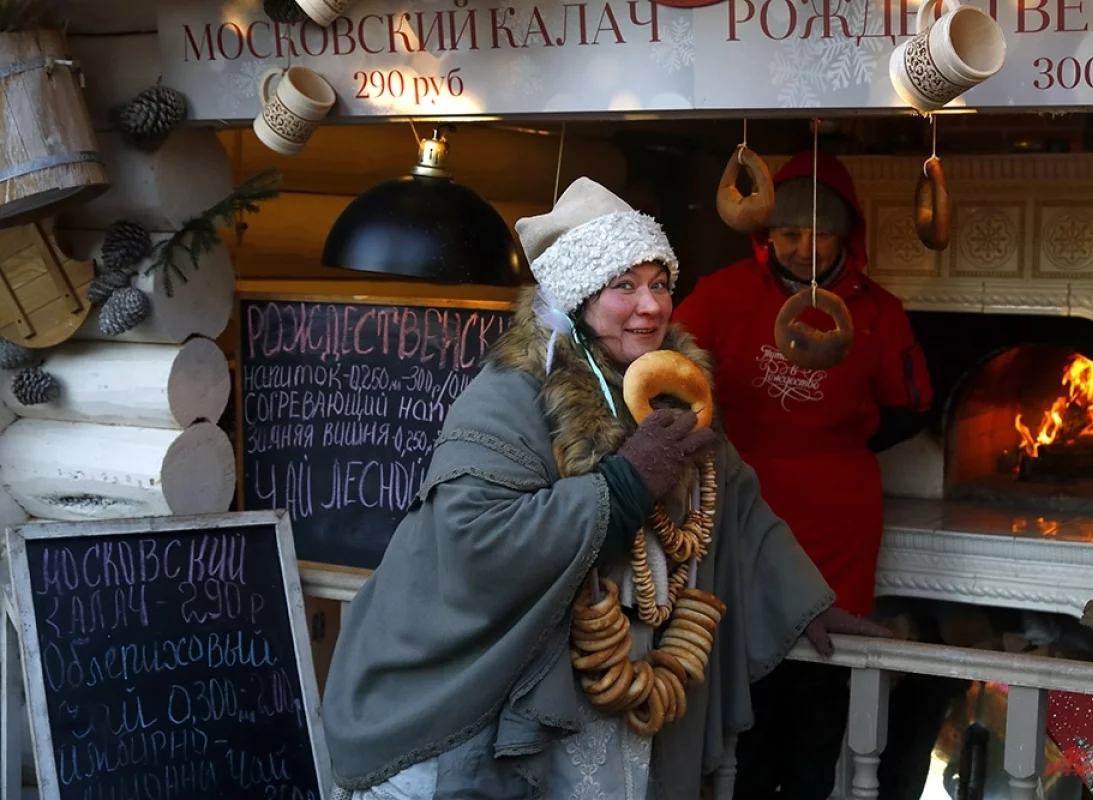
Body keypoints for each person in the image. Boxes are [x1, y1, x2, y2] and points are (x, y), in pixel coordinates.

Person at [320, 176, 889, 800]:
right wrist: (623, 483)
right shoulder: (512, 395)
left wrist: (806, 601)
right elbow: (471, 537)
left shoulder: (674, 389)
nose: (651, 306)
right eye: (624, 287)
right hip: (526, 697)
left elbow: (738, 507)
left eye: (660, 284)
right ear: (577, 295)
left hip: (626, 708)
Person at [673, 150, 935, 800]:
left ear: (847, 235)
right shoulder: (724, 295)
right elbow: (667, 377)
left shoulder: (876, 311)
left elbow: (911, 406)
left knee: (826, 680)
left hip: (838, 517)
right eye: (788, 233)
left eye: (820, 233)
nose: (803, 248)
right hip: (746, 504)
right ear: (766, 233)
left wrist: (835, 443)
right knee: (754, 676)